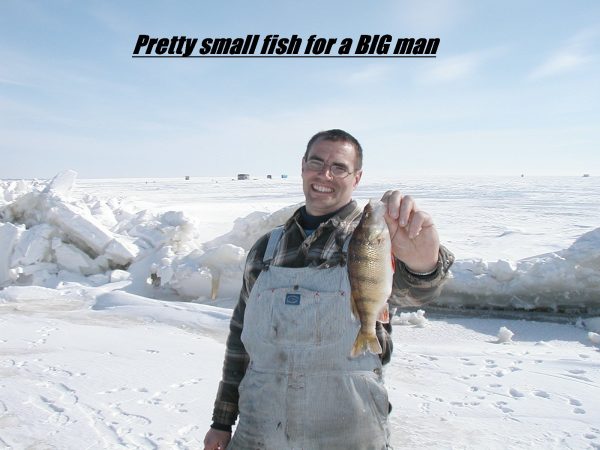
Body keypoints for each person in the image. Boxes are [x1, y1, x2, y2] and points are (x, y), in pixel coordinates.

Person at [204, 129, 454, 450]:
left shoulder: (374, 242)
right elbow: (241, 341)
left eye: (339, 167)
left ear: (357, 178)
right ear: (303, 166)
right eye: (317, 162)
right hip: (260, 430)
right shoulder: (266, 249)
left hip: (349, 432)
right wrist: (222, 421)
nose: (325, 175)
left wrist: (423, 265)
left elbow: (414, 292)